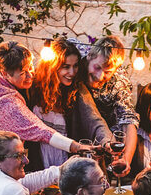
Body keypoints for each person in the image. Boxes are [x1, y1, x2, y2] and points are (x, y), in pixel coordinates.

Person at [0, 41, 91, 173]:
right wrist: (77, 147)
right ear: (5, 73)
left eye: (30, 68)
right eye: (23, 73)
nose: (30, 76)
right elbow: (40, 131)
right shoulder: (3, 101)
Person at [28, 38, 113, 169]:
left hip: (67, 160)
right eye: (66, 67)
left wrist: (107, 141)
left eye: (75, 66)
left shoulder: (77, 89)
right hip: (38, 159)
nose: (72, 72)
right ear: (52, 66)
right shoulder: (33, 88)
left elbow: (94, 119)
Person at [76, 35, 140, 175]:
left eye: (107, 72)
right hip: (73, 128)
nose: (100, 76)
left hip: (104, 141)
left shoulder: (119, 82)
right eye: (97, 67)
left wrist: (126, 160)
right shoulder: (78, 56)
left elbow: (129, 120)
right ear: (89, 56)